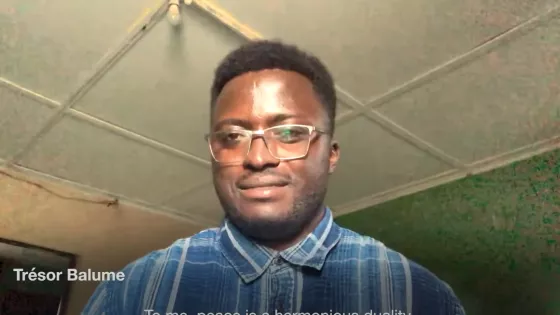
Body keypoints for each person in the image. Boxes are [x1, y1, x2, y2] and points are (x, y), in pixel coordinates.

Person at [82, 40, 465, 315]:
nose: (258, 158)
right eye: (233, 137)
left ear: (331, 155)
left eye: (288, 134)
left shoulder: (420, 297)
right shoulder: (133, 291)